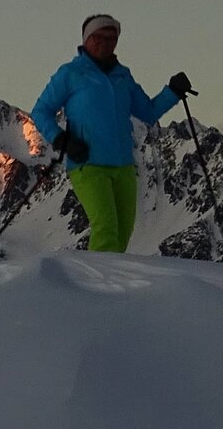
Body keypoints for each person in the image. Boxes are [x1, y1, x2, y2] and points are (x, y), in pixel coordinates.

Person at [30, 14, 194, 253]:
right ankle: (98, 288)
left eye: (111, 38)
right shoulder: (70, 73)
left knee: (123, 231)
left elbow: (147, 112)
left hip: (123, 165)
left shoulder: (122, 76)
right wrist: (61, 139)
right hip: (87, 163)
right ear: (86, 39)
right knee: (106, 227)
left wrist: (173, 92)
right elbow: (41, 111)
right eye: (98, 37)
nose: (104, 43)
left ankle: (108, 284)